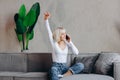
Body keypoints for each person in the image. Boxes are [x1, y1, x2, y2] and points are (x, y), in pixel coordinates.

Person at [44, 12, 84, 80]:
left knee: (81, 65)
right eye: (63, 34)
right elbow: (49, 31)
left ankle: (63, 76)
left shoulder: (67, 43)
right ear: (59, 35)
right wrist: (46, 20)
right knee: (53, 71)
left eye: (65, 33)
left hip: (65, 68)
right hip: (55, 67)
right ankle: (58, 75)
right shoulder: (54, 43)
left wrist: (70, 42)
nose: (65, 35)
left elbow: (76, 52)